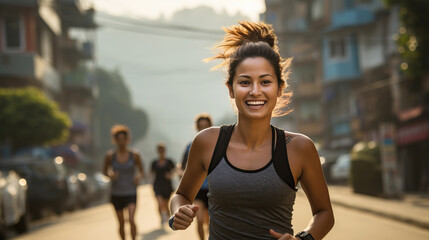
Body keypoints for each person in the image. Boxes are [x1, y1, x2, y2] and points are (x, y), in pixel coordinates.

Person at [169, 21, 334, 240]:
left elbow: (324, 213)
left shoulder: (299, 148)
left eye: (265, 82)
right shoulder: (208, 142)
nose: (255, 91)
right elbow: (181, 195)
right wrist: (178, 211)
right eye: (245, 82)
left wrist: (304, 239)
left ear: (279, 88)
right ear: (231, 89)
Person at [103, 124, 145, 240]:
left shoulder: (135, 155)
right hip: (116, 193)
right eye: (118, 140)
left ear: (127, 139)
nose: (121, 142)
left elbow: (142, 172)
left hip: (131, 192)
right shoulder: (110, 156)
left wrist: (138, 177)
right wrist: (110, 175)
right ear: (115, 141)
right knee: (121, 223)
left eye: (123, 139)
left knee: (131, 219)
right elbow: (105, 172)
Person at [181, 113, 213, 240]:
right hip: (198, 189)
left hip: (214, 189)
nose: (203, 129)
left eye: (206, 126)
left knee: (210, 222)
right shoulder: (191, 147)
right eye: (201, 127)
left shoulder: (218, 146)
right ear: (197, 128)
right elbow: (183, 166)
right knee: (199, 220)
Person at [151, 142, 176, 225]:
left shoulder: (169, 162)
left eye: (162, 149)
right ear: (157, 151)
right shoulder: (154, 163)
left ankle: (168, 216)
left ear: (165, 150)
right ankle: (161, 218)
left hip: (167, 186)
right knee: (159, 202)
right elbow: (151, 174)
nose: (161, 151)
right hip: (157, 185)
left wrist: (170, 175)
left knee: (165, 204)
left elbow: (175, 170)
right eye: (159, 150)